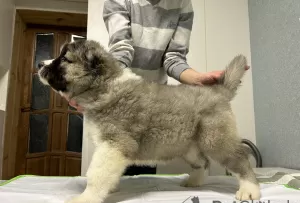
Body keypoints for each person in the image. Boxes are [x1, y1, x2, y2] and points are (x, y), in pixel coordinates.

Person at [68, 0, 249, 174]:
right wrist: (97, 90)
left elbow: (173, 58)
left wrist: (197, 78)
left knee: (144, 166)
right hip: (120, 99)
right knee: (114, 154)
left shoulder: (182, 3)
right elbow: (122, 49)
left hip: (154, 103)